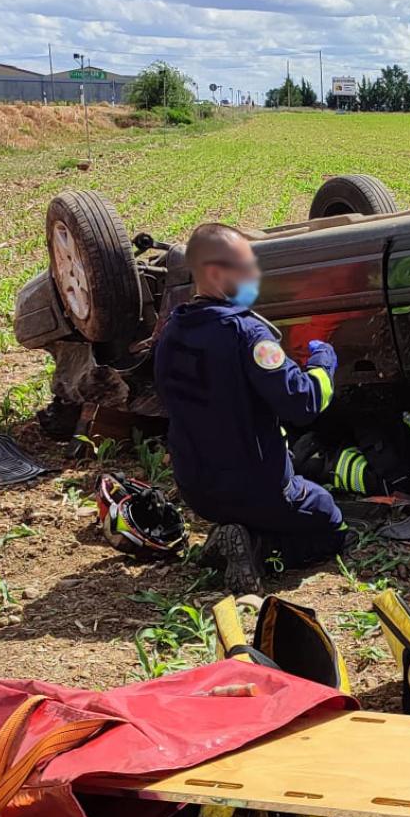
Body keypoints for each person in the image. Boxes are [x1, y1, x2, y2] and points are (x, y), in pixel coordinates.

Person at [152, 223, 346, 592]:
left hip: (197, 489)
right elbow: (304, 402)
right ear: (213, 272)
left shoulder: (171, 332)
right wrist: (323, 360)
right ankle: (261, 548)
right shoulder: (249, 335)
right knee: (331, 523)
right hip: (258, 489)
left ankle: (232, 536)